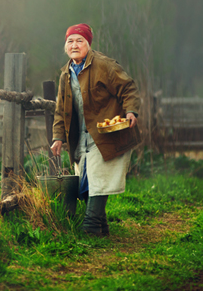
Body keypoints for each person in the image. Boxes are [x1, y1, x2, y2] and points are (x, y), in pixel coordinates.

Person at [50, 23, 141, 237]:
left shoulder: (104, 65)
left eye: (79, 40)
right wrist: (57, 137)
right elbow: (60, 110)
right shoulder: (65, 74)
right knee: (88, 181)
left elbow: (128, 88)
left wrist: (131, 111)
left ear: (88, 44)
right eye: (70, 41)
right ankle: (101, 228)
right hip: (81, 137)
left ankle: (90, 227)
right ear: (65, 46)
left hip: (107, 134)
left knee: (99, 179)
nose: (74, 45)